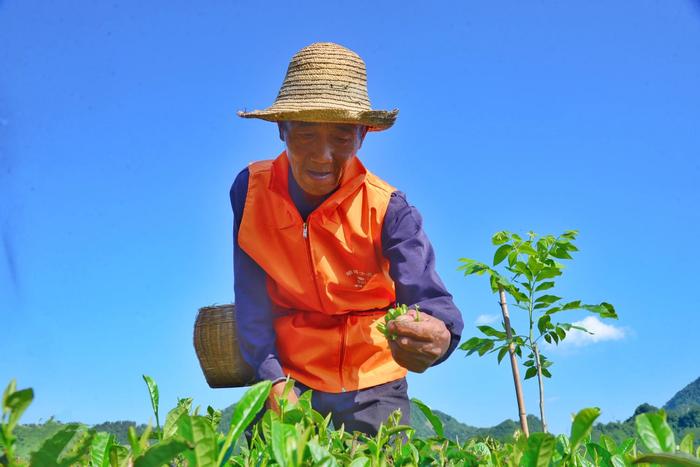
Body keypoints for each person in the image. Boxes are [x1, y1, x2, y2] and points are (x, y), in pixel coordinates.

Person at [231, 42, 463, 435]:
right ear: (281, 128)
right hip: (288, 374)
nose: (322, 155)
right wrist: (271, 377)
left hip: (371, 381)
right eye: (304, 134)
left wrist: (438, 333)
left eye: (341, 137)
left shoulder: (389, 209)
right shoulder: (250, 191)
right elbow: (251, 299)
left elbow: (431, 301)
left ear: (362, 136)